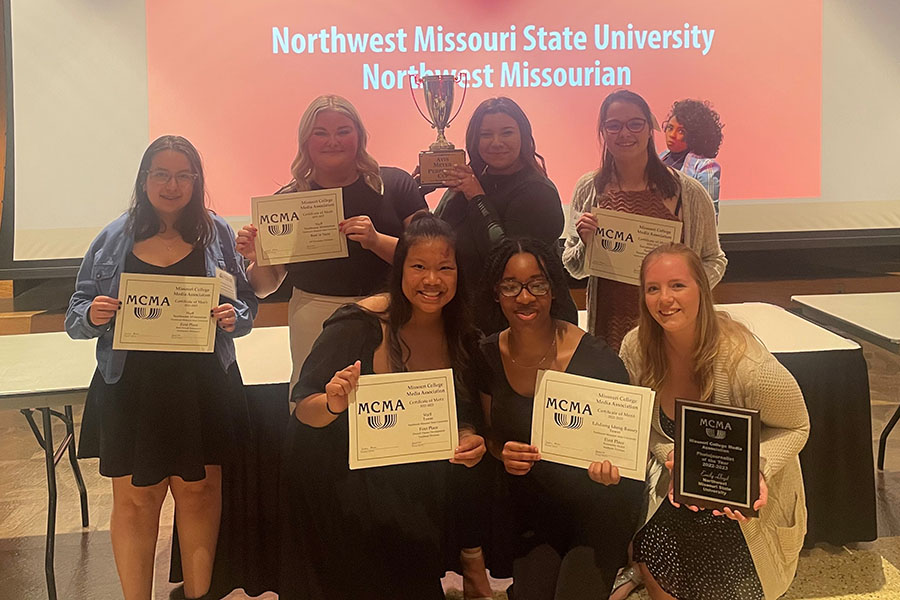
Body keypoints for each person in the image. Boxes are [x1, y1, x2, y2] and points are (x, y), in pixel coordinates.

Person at [65, 135, 258, 600]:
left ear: (196, 181)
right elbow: (75, 312)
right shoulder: (112, 237)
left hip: (203, 387)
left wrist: (237, 318)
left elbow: (244, 303)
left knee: (199, 494)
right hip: (132, 388)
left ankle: (199, 595)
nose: (172, 185)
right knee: (135, 501)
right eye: (161, 174)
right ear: (144, 180)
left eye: (183, 176)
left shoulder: (219, 234)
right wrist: (92, 315)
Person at [279, 211, 487, 600]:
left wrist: (469, 436)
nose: (432, 280)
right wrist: (335, 402)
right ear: (400, 269)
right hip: (339, 484)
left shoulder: (462, 334)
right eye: (419, 267)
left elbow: (465, 410)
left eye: (445, 267)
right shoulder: (358, 324)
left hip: (411, 489)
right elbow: (303, 406)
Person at [618, 243, 808, 600]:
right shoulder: (635, 349)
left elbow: (797, 425)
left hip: (740, 517)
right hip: (675, 496)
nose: (665, 299)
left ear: (701, 289)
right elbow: (643, 426)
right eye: (652, 288)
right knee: (654, 548)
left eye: (677, 285)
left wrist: (758, 469)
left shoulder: (747, 365)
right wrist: (674, 459)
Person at [476, 238, 645, 600]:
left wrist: (612, 469)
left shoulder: (597, 359)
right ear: (496, 293)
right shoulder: (487, 354)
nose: (524, 297)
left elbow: (629, 450)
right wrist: (500, 452)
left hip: (596, 509)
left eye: (537, 284)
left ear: (553, 290)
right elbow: (489, 431)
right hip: (532, 517)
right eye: (511, 286)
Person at [236, 94, 426, 392]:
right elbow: (264, 287)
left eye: (343, 131)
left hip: (390, 311)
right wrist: (258, 257)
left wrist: (376, 241)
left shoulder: (397, 185)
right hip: (313, 317)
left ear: (360, 136)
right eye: (320, 133)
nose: (332, 141)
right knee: (316, 402)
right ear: (305, 142)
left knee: (390, 405)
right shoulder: (287, 201)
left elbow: (428, 259)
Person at [562, 89, 726, 351]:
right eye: (613, 126)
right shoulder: (588, 188)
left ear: (650, 129)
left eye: (635, 124)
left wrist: (680, 290)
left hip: (672, 332)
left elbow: (714, 260)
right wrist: (585, 244)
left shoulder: (690, 193)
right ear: (603, 133)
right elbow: (575, 268)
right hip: (609, 330)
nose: (625, 133)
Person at [433, 96, 577, 334]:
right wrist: (420, 187)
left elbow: (505, 259)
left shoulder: (538, 191)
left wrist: (477, 198)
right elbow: (437, 236)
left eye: (507, 132)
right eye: (486, 134)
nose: (496, 142)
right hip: (470, 324)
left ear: (523, 136)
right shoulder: (472, 181)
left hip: (528, 327)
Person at [660, 99, 724, 217]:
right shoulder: (660, 158)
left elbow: (708, 217)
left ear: (695, 136)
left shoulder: (705, 167)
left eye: (681, 131)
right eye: (669, 128)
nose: (672, 135)